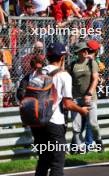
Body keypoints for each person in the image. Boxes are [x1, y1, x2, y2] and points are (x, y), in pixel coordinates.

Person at [30, 42, 89, 176]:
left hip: (37, 122)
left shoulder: (37, 73)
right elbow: (67, 104)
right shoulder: (64, 76)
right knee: (57, 161)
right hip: (54, 123)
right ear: (62, 58)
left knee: (44, 159)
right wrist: (82, 110)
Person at [70, 41, 104, 153]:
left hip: (90, 98)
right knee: (76, 127)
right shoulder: (72, 65)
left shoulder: (91, 63)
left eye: (86, 50)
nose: (85, 52)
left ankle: (98, 141)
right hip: (76, 98)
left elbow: (95, 79)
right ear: (78, 53)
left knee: (93, 123)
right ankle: (79, 149)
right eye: (82, 50)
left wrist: (89, 93)